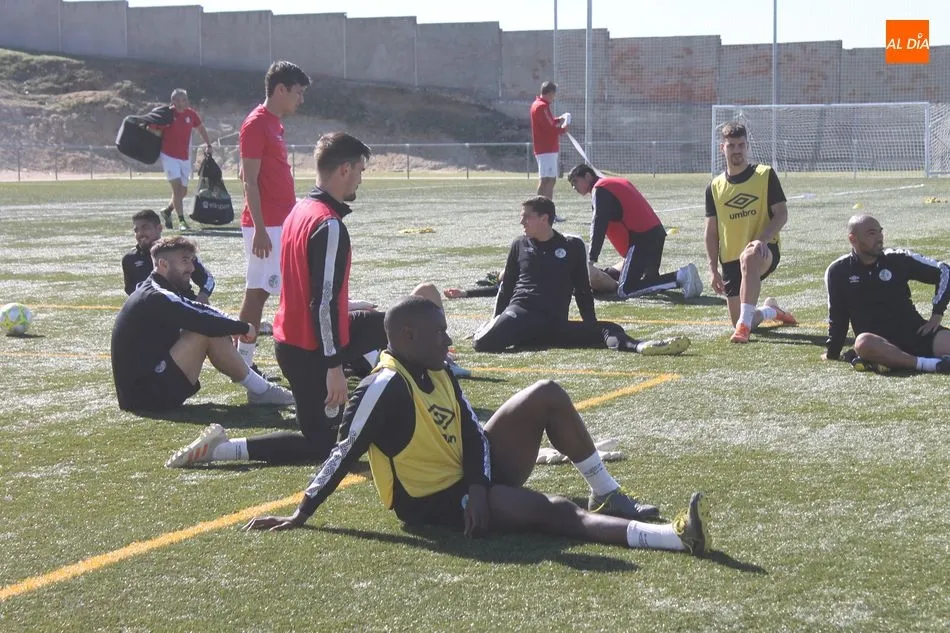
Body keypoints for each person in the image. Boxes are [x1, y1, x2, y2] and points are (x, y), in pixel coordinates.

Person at [240, 296, 710, 557]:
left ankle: (606, 491)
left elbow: (471, 433)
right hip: (431, 501)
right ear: (407, 337)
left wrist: (480, 483)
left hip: (469, 477)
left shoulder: (438, 368)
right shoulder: (382, 386)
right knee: (553, 512)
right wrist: (301, 513)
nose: (448, 339)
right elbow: (342, 453)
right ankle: (673, 538)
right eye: (440, 332)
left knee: (546, 392)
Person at [470, 196, 690, 356]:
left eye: (526, 217)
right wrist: (495, 320)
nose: (522, 223)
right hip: (521, 314)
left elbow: (583, 290)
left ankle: (641, 346)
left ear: (544, 219)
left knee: (609, 329)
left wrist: (590, 325)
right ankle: (517, 335)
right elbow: (507, 287)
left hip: (553, 323)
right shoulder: (519, 244)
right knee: (482, 343)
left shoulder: (572, 245)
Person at [110, 236, 294, 412]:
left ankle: (261, 389)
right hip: (143, 396)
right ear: (163, 264)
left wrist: (235, 324)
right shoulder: (156, 294)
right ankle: (261, 391)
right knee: (204, 331)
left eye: (191, 260)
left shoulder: (161, 288)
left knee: (210, 326)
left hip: (148, 385)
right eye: (184, 261)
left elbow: (198, 308)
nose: (191, 268)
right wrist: (242, 328)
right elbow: (199, 319)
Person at [236, 61, 311, 375]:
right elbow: (248, 180)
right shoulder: (256, 124)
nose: (300, 100)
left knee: (269, 289)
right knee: (258, 292)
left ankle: (244, 360)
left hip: (281, 222)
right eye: (297, 92)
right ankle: (242, 362)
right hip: (267, 226)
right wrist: (262, 230)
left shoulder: (274, 124)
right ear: (280, 89)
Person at [705, 121, 797, 343]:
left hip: (763, 251)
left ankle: (743, 328)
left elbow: (781, 214)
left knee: (749, 257)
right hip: (729, 259)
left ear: (747, 146)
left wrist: (762, 240)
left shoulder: (764, 175)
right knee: (737, 318)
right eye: (731, 145)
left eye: (741, 145)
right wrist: (712, 269)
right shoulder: (714, 186)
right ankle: (770, 311)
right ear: (722, 148)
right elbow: (711, 231)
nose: (736, 150)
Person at [822, 214, 950, 373]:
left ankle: (893, 362)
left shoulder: (898, 259)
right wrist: (832, 353)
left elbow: (945, 271)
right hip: (879, 344)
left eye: (880, 231)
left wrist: (937, 313)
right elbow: (837, 317)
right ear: (852, 239)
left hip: (917, 334)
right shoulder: (838, 270)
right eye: (871, 233)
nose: (879, 237)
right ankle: (929, 364)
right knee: (862, 343)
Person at [568, 164, 703, 300]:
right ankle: (687, 278)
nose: (574, 187)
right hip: (655, 234)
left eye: (575, 182)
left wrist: (591, 257)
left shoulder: (600, 189)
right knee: (649, 280)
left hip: (640, 239)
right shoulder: (613, 182)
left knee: (626, 289)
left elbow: (599, 223)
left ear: (587, 176)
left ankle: (681, 276)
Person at [122, 209, 214, 302]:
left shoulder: (178, 251)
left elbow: (207, 279)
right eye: (136, 230)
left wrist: (203, 294)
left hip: (184, 305)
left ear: (159, 228)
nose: (140, 233)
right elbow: (130, 290)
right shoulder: (129, 259)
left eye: (145, 228)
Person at [156, 89, 212, 230]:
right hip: (169, 156)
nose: (181, 103)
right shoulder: (167, 114)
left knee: (183, 192)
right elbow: (154, 128)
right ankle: (182, 222)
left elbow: (200, 128)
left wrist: (209, 144)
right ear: (172, 102)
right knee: (176, 190)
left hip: (184, 157)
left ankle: (168, 211)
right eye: (178, 100)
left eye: (184, 100)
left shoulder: (191, 114)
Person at [530, 81, 569, 201]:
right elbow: (549, 128)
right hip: (546, 149)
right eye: (554, 94)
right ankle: (541, 210)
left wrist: (559, 120)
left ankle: (545, 209)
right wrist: (564, 130)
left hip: (546, 148)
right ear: (551, 93)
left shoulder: (539, 105)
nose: (554, 97)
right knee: (547, 180)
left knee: (549, 179)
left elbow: (549, 123)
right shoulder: (541, 106)